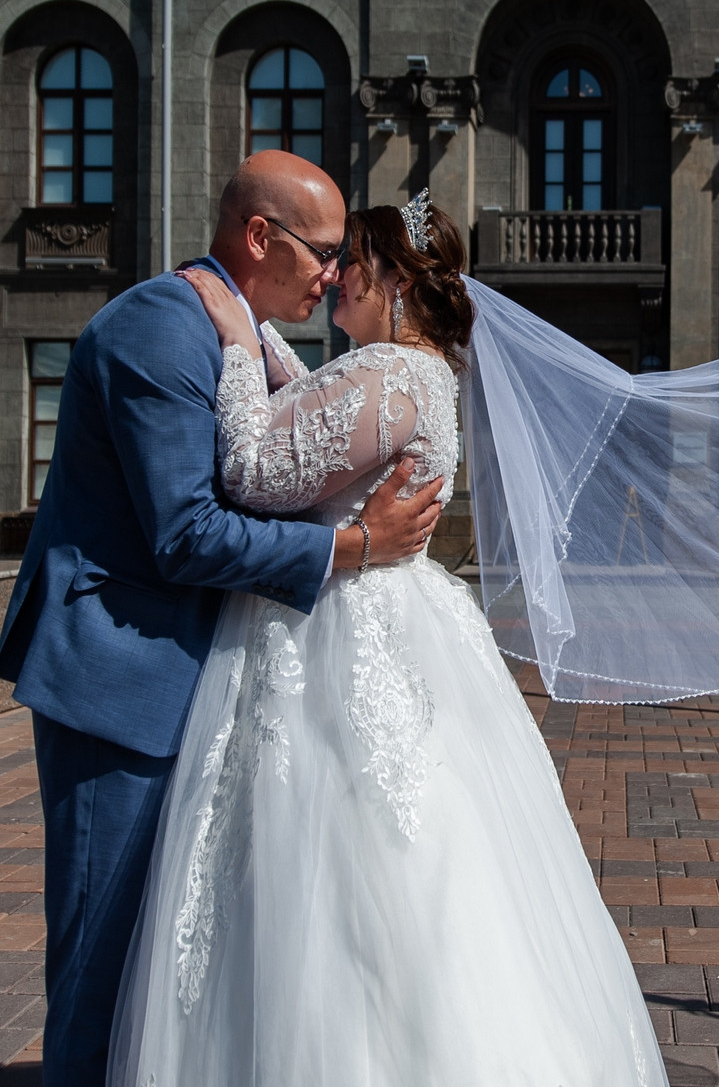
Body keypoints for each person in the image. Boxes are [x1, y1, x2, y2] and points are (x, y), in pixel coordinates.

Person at [109, 192, 669, 1087]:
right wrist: (264, 342)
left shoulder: (388, 373)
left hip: (336, 629)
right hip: (388, 616)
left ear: (397, 282)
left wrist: (235, 342)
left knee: (334, 868)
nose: (336, 276)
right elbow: (314, 418)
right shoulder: (418, 373)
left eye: (354, 263)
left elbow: (255, 468)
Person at [0, 153, 443, 1087]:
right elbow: (186, 533)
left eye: (344, 257)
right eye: (322, 250)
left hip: (201, 677)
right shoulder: (162, 326)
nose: (334, 272)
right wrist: (355, 547)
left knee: (171, 962)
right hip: (124, 676)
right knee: (103, 952)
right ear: (259, 237)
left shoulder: (248, 335)